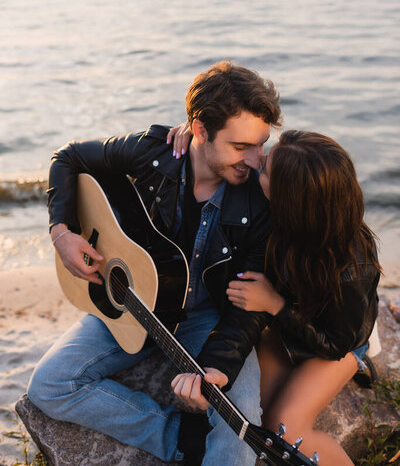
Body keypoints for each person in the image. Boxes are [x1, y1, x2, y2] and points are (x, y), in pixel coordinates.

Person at [27, 61, 282, 466]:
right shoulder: (154, 152)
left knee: (240, 425)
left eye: (261, 144)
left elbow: (245, 307)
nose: (256, 160)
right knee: (51, 385)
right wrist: (63, 232)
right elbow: (69, 157)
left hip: (208, 319)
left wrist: (216, 367)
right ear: (199, 130)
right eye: (240, 147)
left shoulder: (259, 198)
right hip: (132, 303)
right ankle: (178, 439)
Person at [224, 130, 381, 465]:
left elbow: (336, 344)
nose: (257, 163)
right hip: (286, 329)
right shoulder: (289, 218)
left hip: (337, 344)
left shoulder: (351, 268)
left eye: (265, 168)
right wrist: (184, 133)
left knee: (284, 428)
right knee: (248, 416)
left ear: (290, 200)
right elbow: (214, 153)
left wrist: (274, 305)